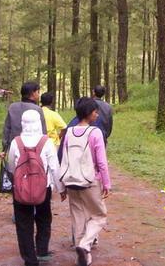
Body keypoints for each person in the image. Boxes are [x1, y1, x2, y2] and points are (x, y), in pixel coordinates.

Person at [7, 109, 63, 266]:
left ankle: (30, 259)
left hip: (21, 189)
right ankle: (42, 250)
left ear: (22, 123)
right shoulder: (46, 142)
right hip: (43, 188)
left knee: (23, 223)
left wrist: (19, 181)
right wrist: (61, 188)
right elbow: (55, 168)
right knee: (44, 218)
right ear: (39, 123)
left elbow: (11, 166)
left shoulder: (16, 142)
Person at [60, 97, 111, 266]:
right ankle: (85, 244)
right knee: (99, 215)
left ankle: (83, 255)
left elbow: (64, 159)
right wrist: (106, 184)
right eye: (95, 112)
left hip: (71, 181)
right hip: (90, 181)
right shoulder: (95, 132)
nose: (97, 115)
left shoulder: (68, 132)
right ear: (89, 113)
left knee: (78, 217)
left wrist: (62, 185)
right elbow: (101, 162)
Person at [1, 81, 47, 157]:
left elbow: (7, 129)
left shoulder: (12, 107)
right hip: (33, 150)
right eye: (38, 92)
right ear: (33, 93)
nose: (38, 95)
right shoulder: (37, 109)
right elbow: (43, 131)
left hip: (14, 148)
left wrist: (4, 149)